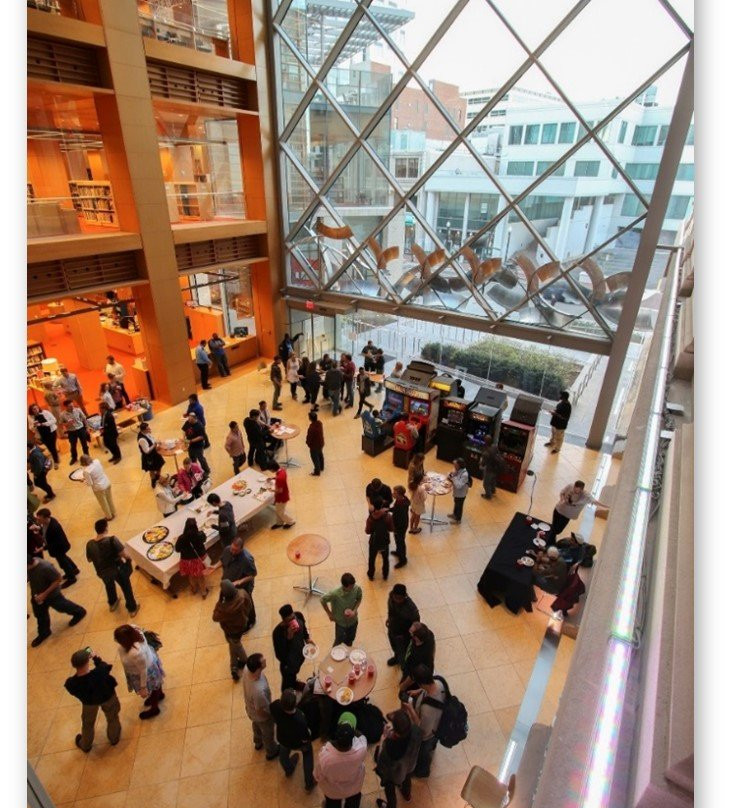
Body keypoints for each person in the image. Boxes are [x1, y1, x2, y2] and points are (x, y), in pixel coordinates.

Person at [64, 647, 121, 753]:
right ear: (87, 661)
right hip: (108, 697)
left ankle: (85, 744)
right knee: (112, 717)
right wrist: (95, 657)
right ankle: (114, 738)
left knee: (87, 724)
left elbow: (72, 691)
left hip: (89, 703)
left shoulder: (71, 683)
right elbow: (104, 666)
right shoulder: (99, 672)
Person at [27, 555, 87, 647]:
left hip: (52, 595)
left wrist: (44, 594)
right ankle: (44, 632)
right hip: (37, 595)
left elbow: (58, 579)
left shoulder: (45, 567)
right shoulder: (29, 568)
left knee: (62, 606)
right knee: (40, 614)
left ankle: (79, 612)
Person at [87, 518, 140, 615]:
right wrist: (129, 559)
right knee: (126, 587)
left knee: (109, 585)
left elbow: (90, 559)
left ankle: (113, 602)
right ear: (106, 528)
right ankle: (132, 608)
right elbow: (124, 554)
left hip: (102, 571)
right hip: (117, 570)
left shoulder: (90, 544)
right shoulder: (112, 540)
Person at [315, 714, 368, 808]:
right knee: (353, 804)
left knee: (332, 805)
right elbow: (362, 736)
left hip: (333, 792)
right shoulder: (362, 748)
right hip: (354, 787)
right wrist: (350, 730)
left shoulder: (325, 757)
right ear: (352, 739)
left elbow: (318, 775)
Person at [374, 707, 423, 808]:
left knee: (390, 792)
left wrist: (382, 739)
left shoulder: (391, 748)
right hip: (410, 766)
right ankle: (407, 794)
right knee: (407, 779)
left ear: (396, 732)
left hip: (393, 776)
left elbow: (380, 762)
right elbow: (418, 724)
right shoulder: (417, 731)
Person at [114, 624, 165, 720]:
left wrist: (143, 687)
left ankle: (155, 708)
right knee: (156, 684)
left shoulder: (135, 653)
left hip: (145, 673)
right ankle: (160, 694)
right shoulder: (138, 633)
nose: (117, 641)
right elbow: (132, 625)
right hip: (151, 663)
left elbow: (143, 670)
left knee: (153, 688)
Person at [271, 688, 317, 791]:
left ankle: (288, 769)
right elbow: (305, 738)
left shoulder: (275, 706)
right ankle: (309, 783)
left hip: (283, 739)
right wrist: (308, 733)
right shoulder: (300, 719)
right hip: (297, 743)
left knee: (283, 754)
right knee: (308, 753)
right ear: (295, 703)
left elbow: (274, 718)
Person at [406, 665, 446, 778]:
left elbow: (422, 729)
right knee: (432, 744)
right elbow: (428, 687)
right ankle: (433, 747)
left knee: (423, 754)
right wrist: (419, 691)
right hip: (439, 723)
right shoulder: (439, 681)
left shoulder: (427, 710)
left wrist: (410, 709)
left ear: (421, 683)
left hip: (428, 735)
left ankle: (422, 771)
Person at [213, 579, 252, 680]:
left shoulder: (224, 608)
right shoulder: (243, 594)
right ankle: (233, 667)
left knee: (236, 645)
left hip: (230, 630)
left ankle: (246, 662)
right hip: (241, 626)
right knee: (233, 645)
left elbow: (215, 617)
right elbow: (249, 606)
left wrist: (220, 602)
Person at [242, 653, 280, 759]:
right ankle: (271, 751)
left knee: (256, 725)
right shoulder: (258, 691)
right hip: (261, 716)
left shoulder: (246, 669)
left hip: (250, 710)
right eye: (262, 660)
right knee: (268, 733)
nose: (265, 659)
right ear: (258, 669)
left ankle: (258, 742)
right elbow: (260, 711)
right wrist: (270, 716)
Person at [215, 536, 257, 629]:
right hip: (229, 585)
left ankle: (251, 620)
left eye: (236, 550)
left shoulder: (247, 559)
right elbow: (222, 560)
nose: (233, 552)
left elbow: (253, 574)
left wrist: (240, 581)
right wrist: (214, 567)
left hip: (243, 587)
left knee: (247, 603)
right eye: (232, 549)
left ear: (241, 549)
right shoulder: (227, 550)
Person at [34, 508, 80, 586]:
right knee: (64, 558)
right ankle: (74, 569)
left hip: (59, 548)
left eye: (39, 519)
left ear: (45, 518)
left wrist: (43, 548)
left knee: (63, 563)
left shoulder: (53, 527)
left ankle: (71, 578)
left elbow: (55, 542)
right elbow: (45, 531)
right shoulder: (47, 522)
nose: (37, 521)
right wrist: (39, 529)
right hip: (58, 547)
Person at [272, 604, 310, 690]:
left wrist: (307, 638)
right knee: (287, 683)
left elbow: (304, 629)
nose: (293, 621)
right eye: (289, 620)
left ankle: (294, 683)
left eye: (293, 618)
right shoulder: (277, 633)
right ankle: (292, 686)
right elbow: (280, 656)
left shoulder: (299, 616)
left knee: (295, 672)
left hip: (300, 656)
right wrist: (289, 639)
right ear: (284, 621)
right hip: (289, 664)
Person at [321, 573, 362, 646]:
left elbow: (359, 598)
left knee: (350, 639)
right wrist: (329, 614)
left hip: (353, 621)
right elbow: (322, 600)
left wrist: (354, 611)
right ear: (344, 586)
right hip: (341, 623)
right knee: (338, 641)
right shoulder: (335, 594)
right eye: (351, 587)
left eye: (353, 585)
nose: (353, 588)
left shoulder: (356, 589)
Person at [386, 584, 420, 668]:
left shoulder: (411, 608)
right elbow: (390, 609)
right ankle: (396, 657)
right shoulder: (391, 597)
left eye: (399, 599)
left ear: (405, 596)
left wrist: (409, 635)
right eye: (395, 597)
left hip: (403, 635)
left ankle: (405, 670)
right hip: (392, 628)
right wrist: (389, 618)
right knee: (393, 645)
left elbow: (416, 624)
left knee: (403, 654)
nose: (397, 600)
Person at [174, 517, 209, 598]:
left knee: (191, 575)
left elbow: (177, 549)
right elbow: (204, 539)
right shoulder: (200, 534)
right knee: (201, 577)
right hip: (199, 559)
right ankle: (204, 592)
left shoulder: (182, 538)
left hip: (187, 561)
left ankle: (194, 589)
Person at [400, 622, 436, 691]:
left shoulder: (419, 656)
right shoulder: (429, 634)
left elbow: (413, 676)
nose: (409, 631)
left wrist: (403, 686)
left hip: (416, 676)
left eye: (411, 632)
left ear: (416, 638)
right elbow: (434, 648)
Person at [80, 454, 116, 520]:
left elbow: (90, 483)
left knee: (103, 503)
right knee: (109, 499)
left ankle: (109, 516)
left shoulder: (86, 471)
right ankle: (113, 512)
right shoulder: (97, 461)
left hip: (99, 488)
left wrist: (83, 480)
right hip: (106, 482)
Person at [366, 497, 394, 581]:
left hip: (374, 542)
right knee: (385, 559)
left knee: (372, 559)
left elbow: (367, 531)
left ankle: (371, 574)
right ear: (382, 505)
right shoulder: (388, 516)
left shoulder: (370, 518)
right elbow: (391, 529)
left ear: (374, 506)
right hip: (384, 541)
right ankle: (385, 575)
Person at [28, 403, 59, 468]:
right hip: (42, 435)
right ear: (31, 410)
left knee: (52, 447)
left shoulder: (45, 412)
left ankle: (56, 461)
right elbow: (31, 428)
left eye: (37, 408)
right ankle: (56, 457)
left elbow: (54, 420)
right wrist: (34, 425)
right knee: (50, 447)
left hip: (51, 432)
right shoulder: (30, 417)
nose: (36, 410)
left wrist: (43, 424)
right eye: (34, 409)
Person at [59, 399, 89, 465]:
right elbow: (61, 424)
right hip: (71, 431)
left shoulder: (78, 410)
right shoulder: (62, 414)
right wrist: (67, 423)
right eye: (70, 406)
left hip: (81, 429)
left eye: (72, 405)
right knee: (73, 446)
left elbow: (84, 418)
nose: (72, 407)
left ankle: (87, 456)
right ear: (66, 407)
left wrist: (87, 428)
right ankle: (74, 458)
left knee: (84, 444)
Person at [138, 422, 165, 488]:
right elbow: (147, 451)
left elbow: (152, 440)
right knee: (152, 470)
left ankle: (158, 477)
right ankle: (153, 482)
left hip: (155, 453)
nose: (149, 429)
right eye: (148, 428)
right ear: (143, 430)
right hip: (149, 457)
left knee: (159, 466)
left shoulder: (147, 433)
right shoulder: (142, 439)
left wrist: (157, 443)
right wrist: (155, 444)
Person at [182, 412, 210, 476]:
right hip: (191, 445)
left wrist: (191, 441)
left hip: (198, 445)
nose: (189, 421)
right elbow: (184, 430)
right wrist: (184, 439)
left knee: (201, 458)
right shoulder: (188, 422)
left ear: (194, 419)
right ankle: (195, 470)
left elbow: (201, 437)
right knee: (192, 458)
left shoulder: (200, 426)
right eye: (188, 419)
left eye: (190, 420)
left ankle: (207, 470)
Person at [270, 461, 295, 529]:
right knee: (279, 510)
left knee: (281, 512)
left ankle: (291, 522)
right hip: (284, 494)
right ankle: (279, 523)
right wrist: (273, 478)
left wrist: (271, 490)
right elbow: (279, 478)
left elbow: (279, 491)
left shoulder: (279, 478)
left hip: (281, 497)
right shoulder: (282, 470)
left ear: (272, 469)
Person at [389, 486, 410, 568]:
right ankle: (398, 552)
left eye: (394, 493)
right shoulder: (402, 500)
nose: (392, 494)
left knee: (401, 542)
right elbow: (395, 509)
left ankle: (403, 560)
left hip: (400, 527)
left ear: (399, 494)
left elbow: (399, 519)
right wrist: (389, 509)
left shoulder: (401, 505)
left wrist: (396, 529)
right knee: (397, 540)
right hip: (399, 525)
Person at [447, 457, 469, 524]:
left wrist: (453, 477)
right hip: (457, 493)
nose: (454, 467)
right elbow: (451, 476)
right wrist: (451, 475)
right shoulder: (458, 470)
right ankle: (454, 514)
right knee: (456, 503)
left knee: (459, 506)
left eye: (455, 465)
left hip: (461, 494)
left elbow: (458, 485)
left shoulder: (465, 474)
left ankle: (458, 520)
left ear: (459, 466)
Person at [305, 410, 325, 476]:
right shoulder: (320, 423)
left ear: (310, 418)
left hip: (314, 446)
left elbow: (309, 438)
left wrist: (308, 443)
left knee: (315, 458)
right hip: (321, 443)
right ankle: (322, 467)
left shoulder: (311, 428)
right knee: (320, 454)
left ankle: (317, 471)